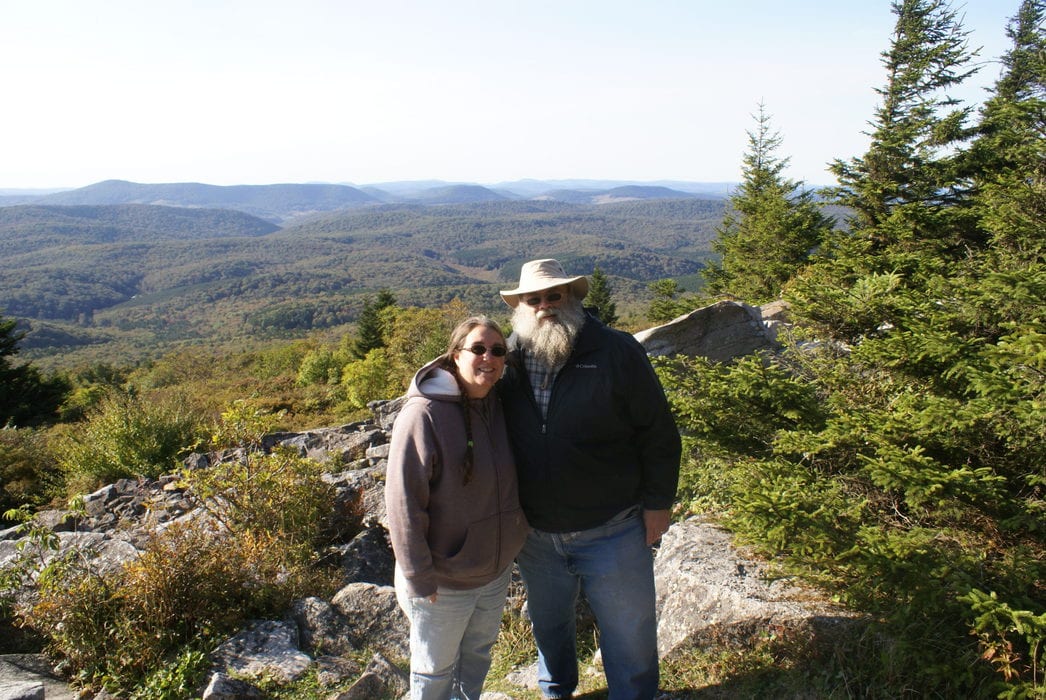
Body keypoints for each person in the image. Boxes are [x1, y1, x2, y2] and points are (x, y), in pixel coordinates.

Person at [497, 259, 681, 700]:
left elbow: (657, 430)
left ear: (573, 298)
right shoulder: (508, 359)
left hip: (612, 527)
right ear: (521, 306)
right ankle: (555, 692)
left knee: (629, 629)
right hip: (537, 534)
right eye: (533, 299)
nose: (544, 306)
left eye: (553, 296)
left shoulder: (616, 351)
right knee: (549, 626)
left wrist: (658, 504)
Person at [385, 316, 530, 700]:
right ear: (454, 355)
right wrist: (419, 577)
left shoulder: (498, 404)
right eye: (478, 349)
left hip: (495, 572)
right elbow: (403, 503)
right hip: (444, 580)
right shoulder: (424, 415)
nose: (489, 357)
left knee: (477, 658)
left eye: (498, 351)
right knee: (434, 672)